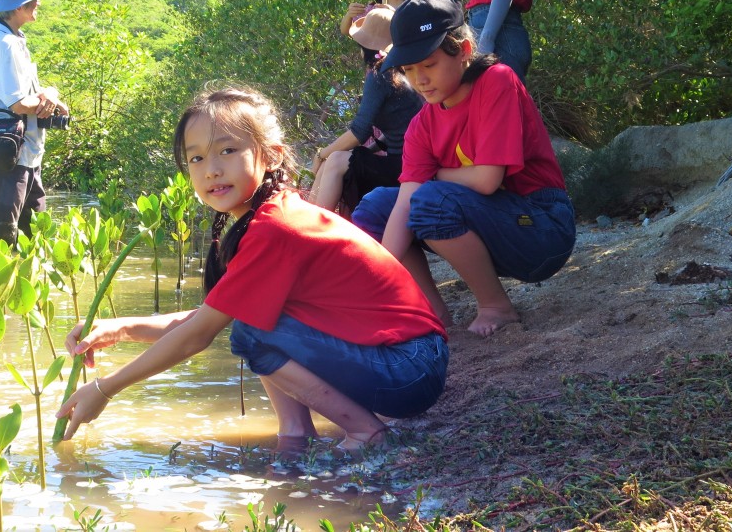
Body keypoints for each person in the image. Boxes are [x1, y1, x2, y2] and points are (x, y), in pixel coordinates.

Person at [56, 86, 447, 451]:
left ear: (272, 155)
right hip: (408, 361)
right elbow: (209, 317)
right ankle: (296, 434)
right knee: (252, 320)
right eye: (196, 158)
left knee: (252, 331)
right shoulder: (268, 216)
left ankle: (365, 432)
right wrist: (119, 328)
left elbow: (200, 334)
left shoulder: (276, 227)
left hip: (409, 368)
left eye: (227, 151)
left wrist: (105, 389)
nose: (211, 169)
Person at [351, 0, 575, 337]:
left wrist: (435, 175)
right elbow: (405, 203)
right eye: (409, 70)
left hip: (542, 228)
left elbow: (487, 180)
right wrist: (373, 287)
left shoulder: (496, 81)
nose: (420, 80)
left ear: (464, 50)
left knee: (431, 200)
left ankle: (496, 306)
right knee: (376, 207)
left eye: (429, 64)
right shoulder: (422, 125)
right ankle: (431, 313)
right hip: (493, 228)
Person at [0, 0, 68, 255]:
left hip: (24, 151)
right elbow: (18, 103)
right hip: (12, 155)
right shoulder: (5, 43)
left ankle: (30, 292)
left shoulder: (10, 38)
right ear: (18, 6)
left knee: (33, 231)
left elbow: (21, 96)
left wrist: (48, 96)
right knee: (1, 235)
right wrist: (50, 97)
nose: (38, 3)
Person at [310, 7, 422, 216]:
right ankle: (307, 222)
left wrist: (320, 154)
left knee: (333, 161)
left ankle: (313, 228)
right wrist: (369, 150)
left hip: (406, 166)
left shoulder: (380, 75)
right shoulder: (398, 71)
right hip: (407, 160)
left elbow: (359, 131)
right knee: (338, 159)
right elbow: (399, 129)